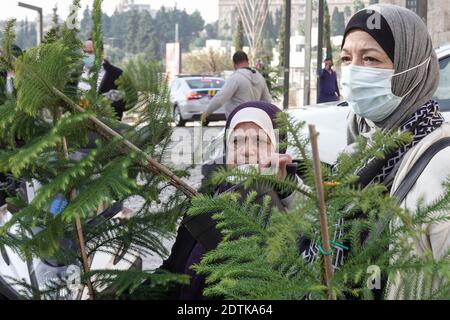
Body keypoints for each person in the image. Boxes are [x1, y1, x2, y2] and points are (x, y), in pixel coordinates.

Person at [336, 4, 450, 298]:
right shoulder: (360, 147)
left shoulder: (441, 165)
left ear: (412, 66)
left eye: (371, 59)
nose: (353, 72)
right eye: (346, 58)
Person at [162, 102, 304, 299]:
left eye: (259, 141)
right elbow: (172, 270)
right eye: (236, 142)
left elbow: (316, 230)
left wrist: (288, 188)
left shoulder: (290, 202)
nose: (246, 151)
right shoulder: (205, 202)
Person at [201, 51, 271, 123]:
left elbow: (220, 98)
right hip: (255, 121)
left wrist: (206, 113)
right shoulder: (260, 78)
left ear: (234, 64)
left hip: (237, 121)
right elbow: (267, 101)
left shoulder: (236, 78)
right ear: (248, 61)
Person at [80, 38, 126, 121]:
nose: (86, 55)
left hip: (105, 127)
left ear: (101, 52)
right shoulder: (75, 72)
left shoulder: (116, 74)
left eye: (90, 52)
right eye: (84, 52)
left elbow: (127, 101)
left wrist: (107, 100)